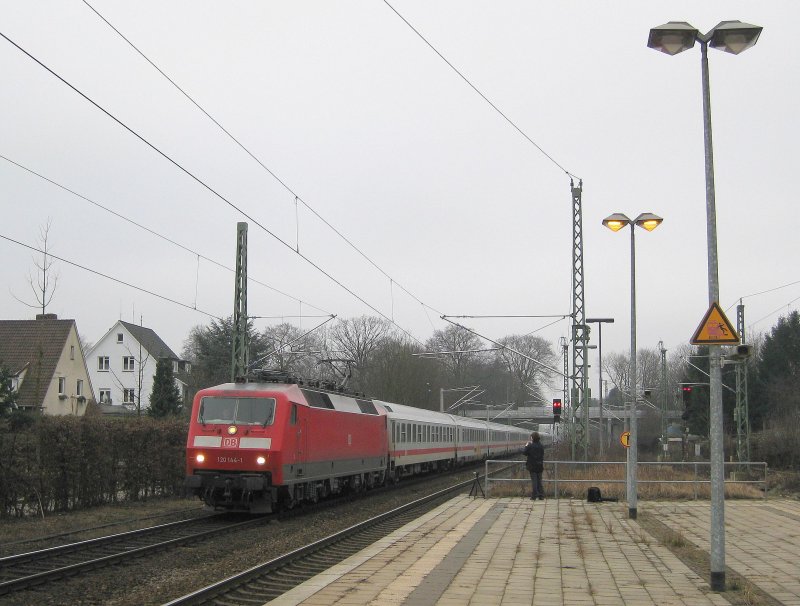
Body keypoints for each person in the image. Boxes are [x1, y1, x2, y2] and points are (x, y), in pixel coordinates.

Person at [522, 432, 545, 500]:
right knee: (539, 481)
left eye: (531, 437)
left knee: (534, 481)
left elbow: (524, 453)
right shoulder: (541, 446)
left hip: (532, 466)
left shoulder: (530, 446)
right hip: (540, 465)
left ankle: (534, 495)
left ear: (532, 438)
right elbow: (542, 454)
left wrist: (526, 445)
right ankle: (541, 495)